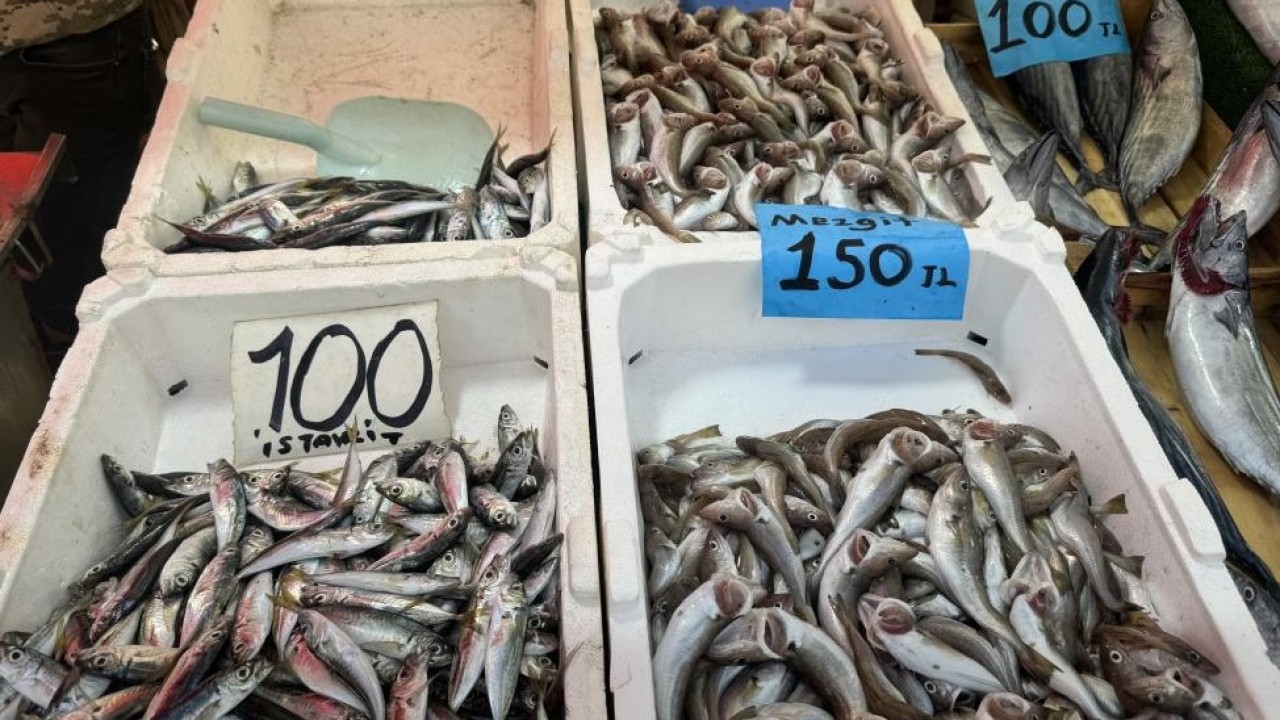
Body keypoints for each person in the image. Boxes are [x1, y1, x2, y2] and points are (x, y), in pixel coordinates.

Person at [0, 1, 164, 353]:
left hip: (68, 37)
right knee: (26, 232)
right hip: (50, 44)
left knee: (85, 255)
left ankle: (84, 348)